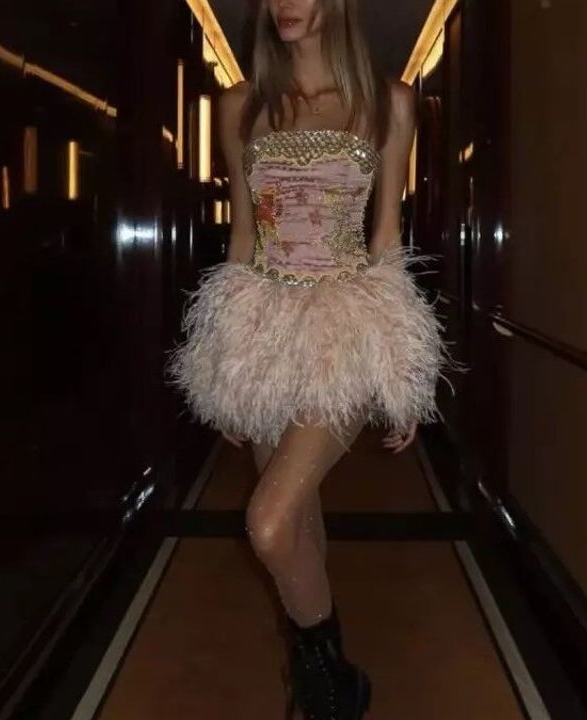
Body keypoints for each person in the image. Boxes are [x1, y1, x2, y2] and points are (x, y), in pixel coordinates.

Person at [166, 0, 446, 717]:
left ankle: (328, 688)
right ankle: (329, 682)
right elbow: (241, 242)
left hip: (344, 331)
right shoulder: (240, 105)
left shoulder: (389, 102)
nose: (285, 3)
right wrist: (225, 366)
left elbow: (386, 239)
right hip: (264, 333)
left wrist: (404, 373)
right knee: (297, 525)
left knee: (266, 521)